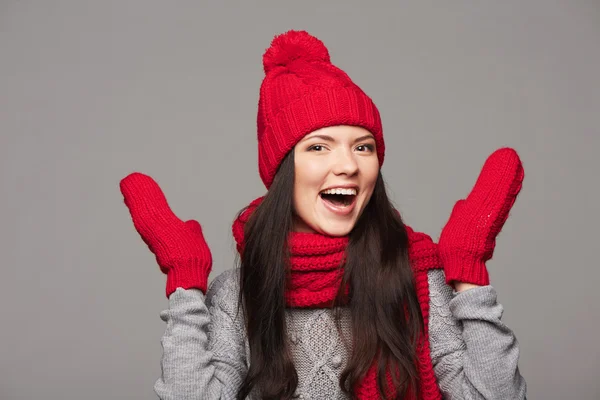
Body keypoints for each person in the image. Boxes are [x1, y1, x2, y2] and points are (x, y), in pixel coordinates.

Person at [120, 30, 527, 400]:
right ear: (283, 170)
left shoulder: (416, 278)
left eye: (363, 147)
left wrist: (469, 279)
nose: (348, 165)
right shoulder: (239, 292)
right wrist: (186, 288)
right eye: (319, 147)